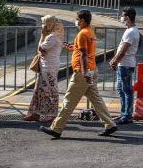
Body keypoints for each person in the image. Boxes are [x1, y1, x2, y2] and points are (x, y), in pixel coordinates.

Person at [38, 9, 117, 139]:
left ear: (83, 20)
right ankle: (110, 124)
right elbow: (85, 50)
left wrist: (84, 72)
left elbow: (84, 55)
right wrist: (74, 48)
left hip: (82, 73)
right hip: (92, 70)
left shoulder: (82, 34)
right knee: (96, 100)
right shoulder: (90, 32)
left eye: (77, 19)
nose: (76, 22)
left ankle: (56, 128)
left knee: (69, 101)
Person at [24, 15, 63, 124]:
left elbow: (40, 48)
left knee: (49, 89)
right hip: (45, 66)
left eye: (44, 23)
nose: (43, 26)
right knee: (39, 89)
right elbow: (40, 50)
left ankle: (52, 114)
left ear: (50, 24)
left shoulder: (53, 37)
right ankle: (36, 113)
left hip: (49, 67)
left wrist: (42, 35)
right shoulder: (51, 36)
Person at [110, 6, 140, 124]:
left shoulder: (131, 32)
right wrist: (115, 60)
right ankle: (124, 113)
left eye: (122, 16)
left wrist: (115, 61)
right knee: (121, 89)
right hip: (123, 64)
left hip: (126, 64)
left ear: (127, 17)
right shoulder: (129, 31)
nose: (121, 18)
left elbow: (123, 50)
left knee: (126, 89)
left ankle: (127, 115)